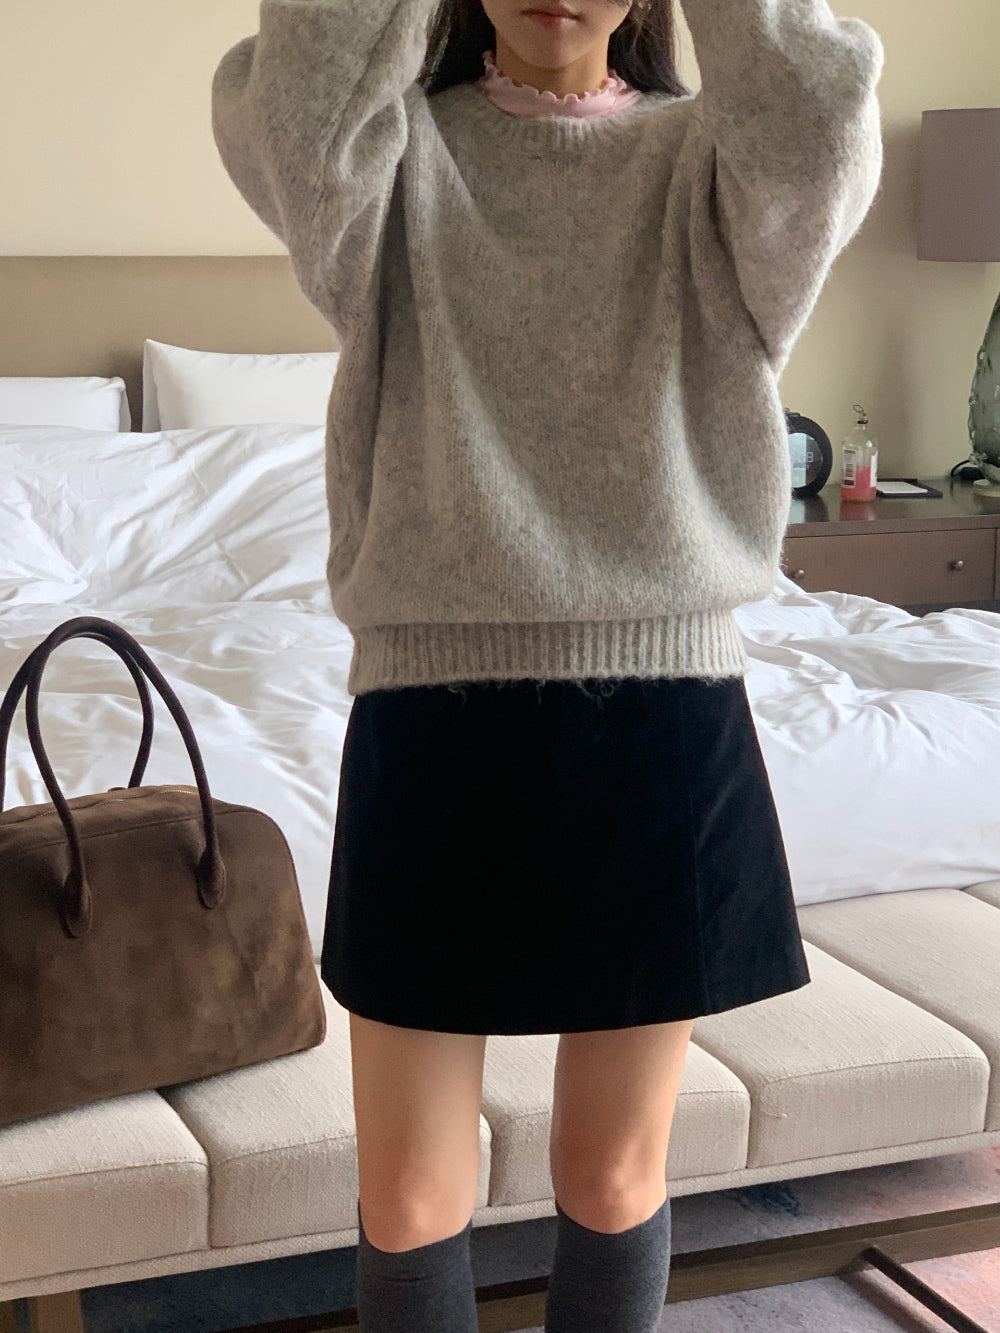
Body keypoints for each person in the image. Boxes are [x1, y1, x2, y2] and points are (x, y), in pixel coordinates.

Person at [210, 0, 884, 1327]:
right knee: (409, 1195)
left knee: (614, 1172)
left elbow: (819, 115)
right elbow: (289, 102)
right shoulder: (384, 159)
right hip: (430, 713)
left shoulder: (722, 165)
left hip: (665, 711)